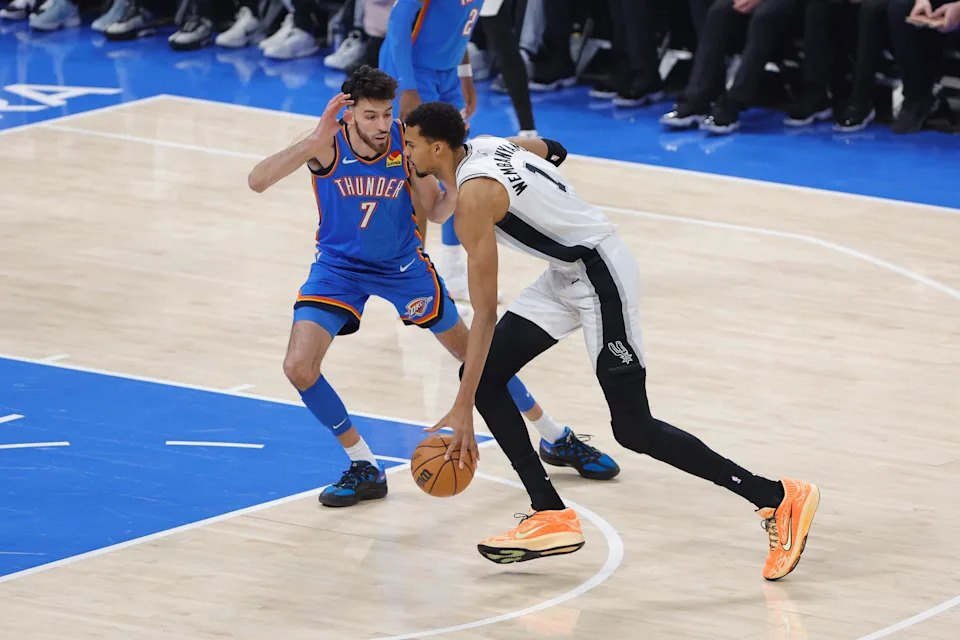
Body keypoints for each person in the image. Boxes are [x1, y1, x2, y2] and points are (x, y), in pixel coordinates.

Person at [404, 101, 820, 579]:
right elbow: (554, 151)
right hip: (567, 272)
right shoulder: (491, 145)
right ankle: (549, 513)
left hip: (601, 278)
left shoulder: (475, 201)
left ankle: (777, 497)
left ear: (438, 147)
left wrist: (460, 408)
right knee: (484, 377)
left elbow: (483, 314)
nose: (406, 151)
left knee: (633, 428)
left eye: (411, 144)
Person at [247, 67, 619, 507]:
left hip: (403, 267)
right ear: (347, 114)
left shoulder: (409, 144)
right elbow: (257, 180)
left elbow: (437, 211)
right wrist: (313, 139)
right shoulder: (325, 145)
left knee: (478, 358)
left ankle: (556, 436)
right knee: (298, 367)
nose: (383, 126)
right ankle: (364, 464)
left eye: (387, 114)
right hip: (339, 270)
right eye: (370, 116)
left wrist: (461, 181)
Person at [378, 0, 481, 301]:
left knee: (457, 167)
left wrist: (465, 76)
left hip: (446, 74)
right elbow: (398, 24)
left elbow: (459, 31)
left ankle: (450, 267)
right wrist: (407, 86)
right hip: (411, 71)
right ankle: (413, 278)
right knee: (418, 176)